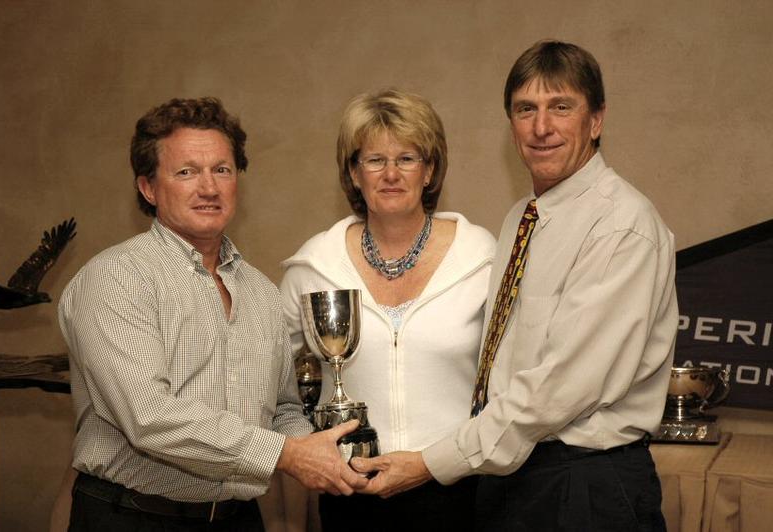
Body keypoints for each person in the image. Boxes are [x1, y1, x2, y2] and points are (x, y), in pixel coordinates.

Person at [353, 41, 678, 531]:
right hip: (517, 480)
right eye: (526, 109)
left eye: (561, 107)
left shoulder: (620, 227)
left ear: (596, 120)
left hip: (585, 487)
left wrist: (433, 462)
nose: (541, 127)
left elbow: (561, 388)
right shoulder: (522, 218)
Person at [58, 97, 367, 532]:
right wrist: (287, 455)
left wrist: (325, 454)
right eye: (186, 172)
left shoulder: (261, 292)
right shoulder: (116, 278)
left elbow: (282, 409)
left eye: (222, 169)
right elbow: (149, 417)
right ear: (148, 188)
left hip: (237, 518)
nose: (209, 187)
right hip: (133, 516)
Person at [279, 89, 496, 531]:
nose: (391, 174)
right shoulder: (314, 266)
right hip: (350, 497)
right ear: (354, 173)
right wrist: (306, 445)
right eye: (375, 160)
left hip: (459, 492)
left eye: (407, 158)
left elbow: (514, 382)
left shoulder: (483, 258)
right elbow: (268, 378)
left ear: (430, 170)